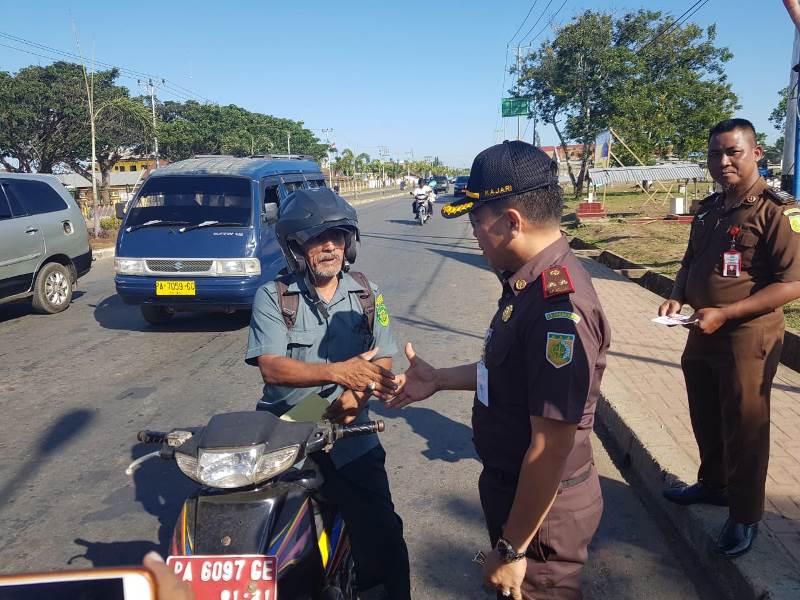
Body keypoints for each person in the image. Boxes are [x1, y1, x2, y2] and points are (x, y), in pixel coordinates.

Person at [388, 141, 611, 599]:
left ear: (511, 222)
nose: (473, 235)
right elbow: (514, 375)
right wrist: (441, 379)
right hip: (525, 503)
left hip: (542, 516)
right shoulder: (530, 282)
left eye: (475, 223)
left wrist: (511, 550)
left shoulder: (558, 310)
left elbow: (549, 449)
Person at [244, 187, 410, 599]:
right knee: (263, 536)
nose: (330, 247)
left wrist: (360, 394)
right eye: (318, 238)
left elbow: (384, 353)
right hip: (289, 429)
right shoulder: (273, 296)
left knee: (384, 531)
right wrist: (337, 372)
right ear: (296, 247)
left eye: (337, 236)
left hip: (351, 433)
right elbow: (271, 365)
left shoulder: (370, 293)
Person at [658, 118, 800, 557]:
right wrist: (676, 296)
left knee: (746, 425)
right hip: (701, 330)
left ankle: (744, 514)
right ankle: (714, 485)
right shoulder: (709, 208)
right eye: (715, 153)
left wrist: (729, 312)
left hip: (748, 336)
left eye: (732, 152)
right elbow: (690, 260)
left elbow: (793, 282)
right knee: (705, 413)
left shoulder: (778, 211)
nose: (722, 162)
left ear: (756, 153)